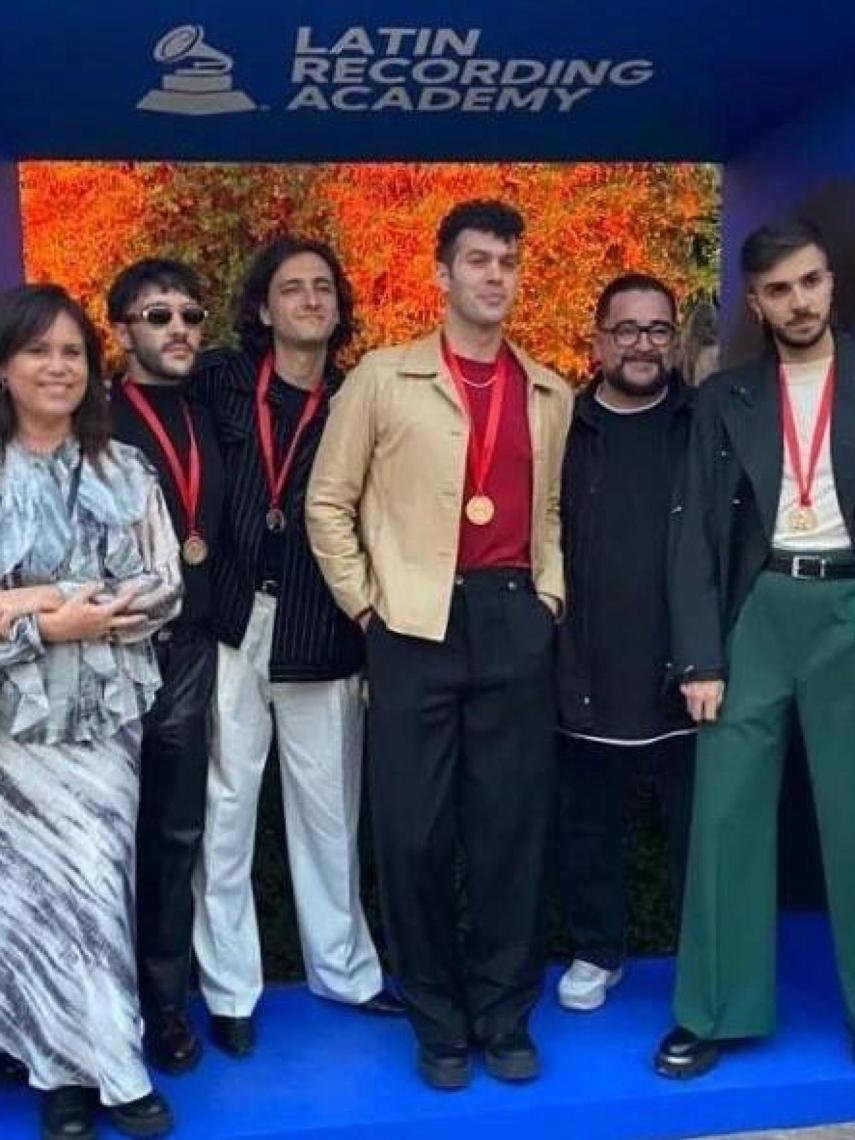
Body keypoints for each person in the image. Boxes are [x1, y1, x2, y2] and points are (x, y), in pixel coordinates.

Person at [307, 199, 572, 1089]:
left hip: (510, 618)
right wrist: (366, 609)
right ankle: (436, 1017)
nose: (494, 276)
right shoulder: (382, 379)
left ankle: (502, 1014)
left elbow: (552, 515)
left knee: (509, 832)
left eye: (506, 261)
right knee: (413, 835)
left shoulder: (549, 391)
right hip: (412, 625)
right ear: (441, 273)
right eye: (477, 260)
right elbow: (326, 502)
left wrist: (548, 596)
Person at [189, 235, 402, 1061]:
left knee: (328, 814)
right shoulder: (221, 381)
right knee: (227, 810)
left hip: (324, 629)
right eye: (291, 288)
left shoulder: (361, 396)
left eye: (322, 288)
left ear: (339, 307)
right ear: (262, 307)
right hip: (234, 622)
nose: (309, 299)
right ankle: (229, 989)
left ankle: (345, 972)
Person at [656, 218, 855, 1078]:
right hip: (756, 607)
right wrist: (698, 657)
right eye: (779, 290)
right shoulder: (725, 397)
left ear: (829, 282)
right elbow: (693, 536)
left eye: (809, 281)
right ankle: (713, 1011)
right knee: (726, 812)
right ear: (755, 302)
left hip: (847, 604)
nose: (798, 301)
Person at [0, 284, 181, 1139]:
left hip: (104, 724)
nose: (58, 366)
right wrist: (54, 619)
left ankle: (115, 1061)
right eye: (39, 351)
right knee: (27, 902)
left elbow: (163, 586)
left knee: (101, 887)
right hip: (10, 732)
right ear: (6, 366)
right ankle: (59, 1076)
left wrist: (34, 605)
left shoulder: (123, 468)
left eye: (72, 352)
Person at [556, 274, 696, 1013]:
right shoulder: (564, 428)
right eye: (626, 329)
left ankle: (704, 960)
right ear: (598, 338)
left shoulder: (701, 424)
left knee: (697, 835)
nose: (642, 344)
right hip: (587, 666)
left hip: (687, 672)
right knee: (588, 827)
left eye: (656, 330)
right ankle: (594, 951)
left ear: (672, 339)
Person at [107, 259, 224, 1074]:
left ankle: (162, 1010)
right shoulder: (90, 419)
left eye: (189, 314)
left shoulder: (213, 411)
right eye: (157, 316)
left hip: (188, 651)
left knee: (174, 838)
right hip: (103, 653)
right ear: (120, 332)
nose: (177, 328)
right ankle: (92, 1012)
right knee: (99, 841)